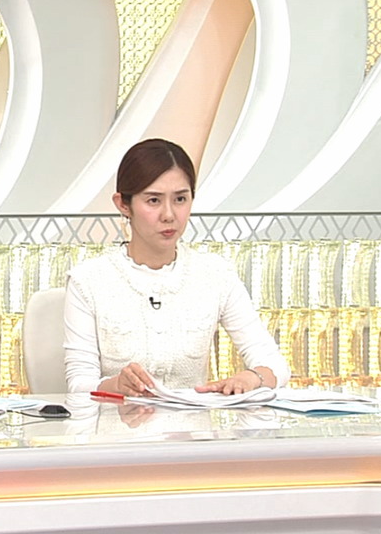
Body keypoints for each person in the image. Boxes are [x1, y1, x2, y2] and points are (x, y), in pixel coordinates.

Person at [63, 138, 290, 396]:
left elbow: (275, 365)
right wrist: (116, 386)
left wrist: (252, 377)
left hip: (195, 421)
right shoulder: (88, 281)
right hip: (115, 420)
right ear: (123, 204)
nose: (169, 215)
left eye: (180, 199)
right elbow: (78, 384)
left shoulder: (216, 274)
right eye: (153, 201)